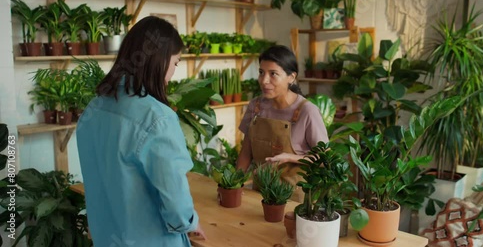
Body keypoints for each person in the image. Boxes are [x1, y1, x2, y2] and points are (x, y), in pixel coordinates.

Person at [76, 16, 206, 247]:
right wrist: (189, 222)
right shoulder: (157, 118)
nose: (173, 72)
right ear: (161, 60)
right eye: (175, 63)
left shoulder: (94, 108)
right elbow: (175, 199)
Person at [236, 45, 329, 201]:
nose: (264, 81)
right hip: (260, 194)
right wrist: (234, 184)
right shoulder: (256, 106)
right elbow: (246, 152)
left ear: (291, 77)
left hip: (293, 199)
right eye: (261, 73)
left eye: (273, 74)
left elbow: (324, 159)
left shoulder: (307, 111)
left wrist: (291, 157)